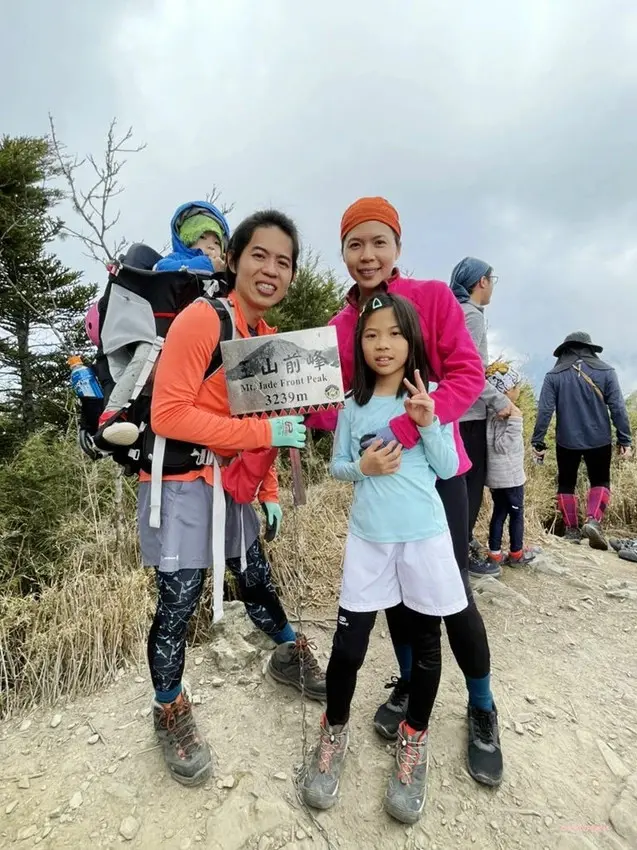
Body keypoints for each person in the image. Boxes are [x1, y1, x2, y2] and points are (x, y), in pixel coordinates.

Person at [307, 198, 503, 788]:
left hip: (437, 471)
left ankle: (482, 707)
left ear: (398, 246)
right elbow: (336, 409)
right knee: (396, 601)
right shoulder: (339, 328)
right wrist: (293, 413)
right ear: (343, 252)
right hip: (379, 481)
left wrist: (409, 425)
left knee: (453, 599)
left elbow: (468, 376)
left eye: (379, 242)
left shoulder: (433, 298)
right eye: (354, 244)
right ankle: (412, 686)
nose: (367, 255)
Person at [140, 209, 326, 787]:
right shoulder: (202, 319)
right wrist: (264, 434)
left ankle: (288, 652)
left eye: (284, 262)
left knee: (254, 575)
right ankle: (168, 707)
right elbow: (168, 413)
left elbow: (263, 423)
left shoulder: (263, 338)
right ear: (235, 260)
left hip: (231, 484)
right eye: (259, 256)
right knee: (179, 601)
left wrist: (268, 488)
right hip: (179, 484)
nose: (271, 270)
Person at [302, 293, 469, 823]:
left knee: (426, 645)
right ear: (359, 344)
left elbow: (447, 468)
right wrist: (364, 469)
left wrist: (427, 422)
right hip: (369, 541)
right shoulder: (352, 406)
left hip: (424, 539)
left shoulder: (429, 396)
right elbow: (337, 465)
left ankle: (414, 737)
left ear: (411, 339)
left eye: (395, 333)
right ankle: (334, 729)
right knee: (348, 647)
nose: (383, 344)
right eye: (371, 334)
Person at [95, 201, 231, 448]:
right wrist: (207, 265)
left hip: (196, 344)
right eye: (203, 237)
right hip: (156, 334)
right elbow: (164, 269)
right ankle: (112, 416)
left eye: (216, 240)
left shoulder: (223, 274)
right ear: (187, 239)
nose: (211, 244)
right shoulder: (173, 260)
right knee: (144, 356)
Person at [531, 331, 632, 550]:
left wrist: (538, 441)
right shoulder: (607, 371)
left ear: (565, 350)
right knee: (600, 481)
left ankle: (572, 531)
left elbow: (545, 410)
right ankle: (593, 521)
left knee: (566, 483)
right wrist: (625, 439)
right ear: (590, 349)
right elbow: (618, 408)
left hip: (566, 439)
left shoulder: (553, 375)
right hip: (600, 438)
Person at [449, 257, 518, 577]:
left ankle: (456, 549)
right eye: (492, 280)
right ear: (482, 282)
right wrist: (500, 401)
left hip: (451, 413)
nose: (492, 287)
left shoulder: (453, 312)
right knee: (470, 488)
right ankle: (462, 556)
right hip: (469, 414)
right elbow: (469, 370)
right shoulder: (472, 315)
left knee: (455, 486)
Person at [484, 362, 534, 568]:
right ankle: (516, 553)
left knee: (499, 512)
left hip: (497, 476)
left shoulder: (489, 411)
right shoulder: (504, 415)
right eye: (515, 386)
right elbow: (502, 446)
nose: (518, 390)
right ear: (505, 391)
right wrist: (516, 421)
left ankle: (495, 554)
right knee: (516, 513)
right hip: (509, 477)